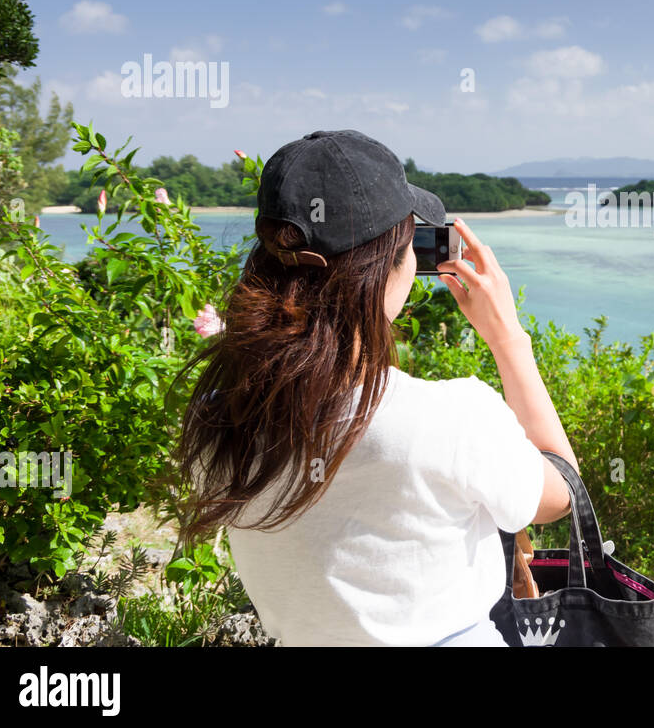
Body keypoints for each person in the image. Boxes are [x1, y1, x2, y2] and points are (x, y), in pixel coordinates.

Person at [174, 129, 577, 646]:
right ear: (389, 269)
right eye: (409, 247)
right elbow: (561, 492)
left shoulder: (218, 418)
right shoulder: (452, 418)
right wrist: (508, 338)